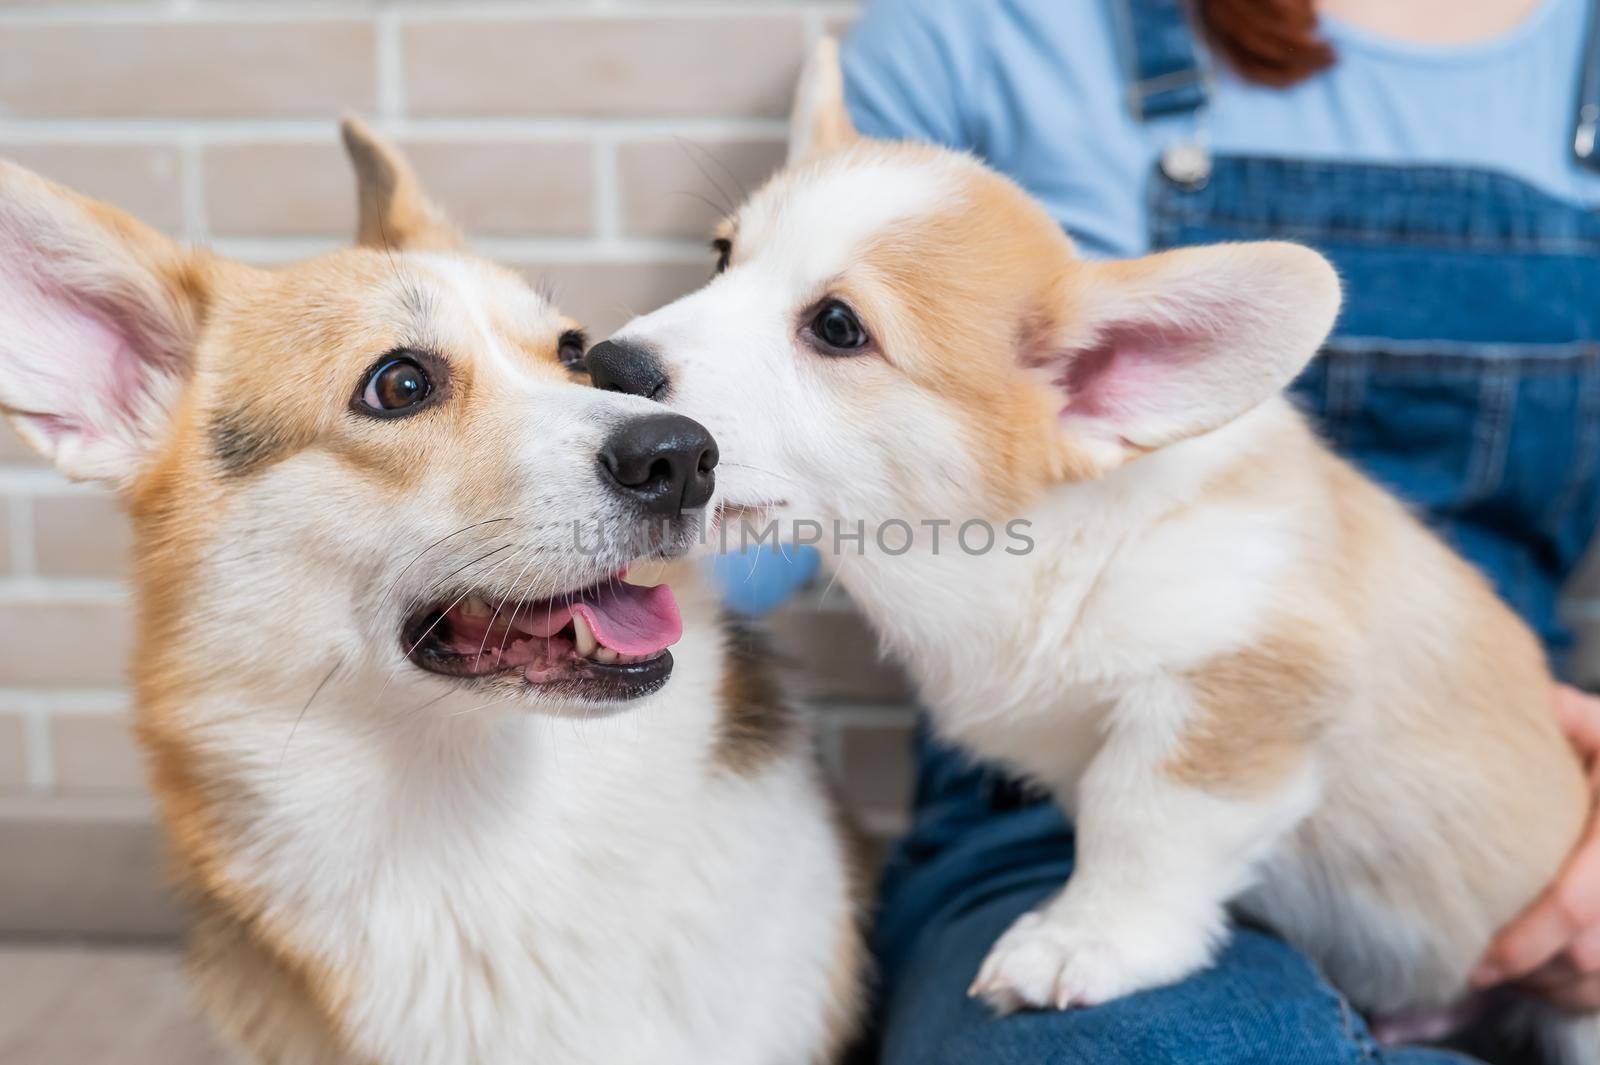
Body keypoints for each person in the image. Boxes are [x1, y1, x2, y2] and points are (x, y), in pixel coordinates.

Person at [822, 0, 1600, 1061]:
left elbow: (1262, 667)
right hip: (1045, 823)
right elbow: (758, 502)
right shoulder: (983, 25)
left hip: (1504, 841)